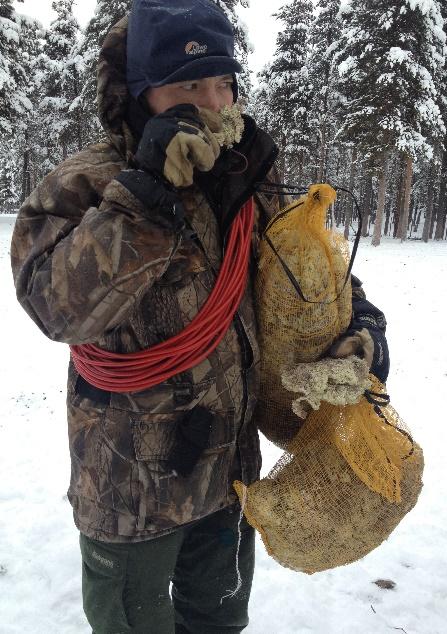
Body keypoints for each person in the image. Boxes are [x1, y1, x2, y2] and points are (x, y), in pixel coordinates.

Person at [10, 1, 390, 632]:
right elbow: (56, 306)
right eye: (188, 86)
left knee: (216, 622)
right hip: (130, 487)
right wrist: (146, 199)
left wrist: (363, 332)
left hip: (228, 477)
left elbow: (317, 278)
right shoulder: (84, 186)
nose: (213, 105)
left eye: (223, 84)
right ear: (141, 94)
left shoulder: (247, 180)